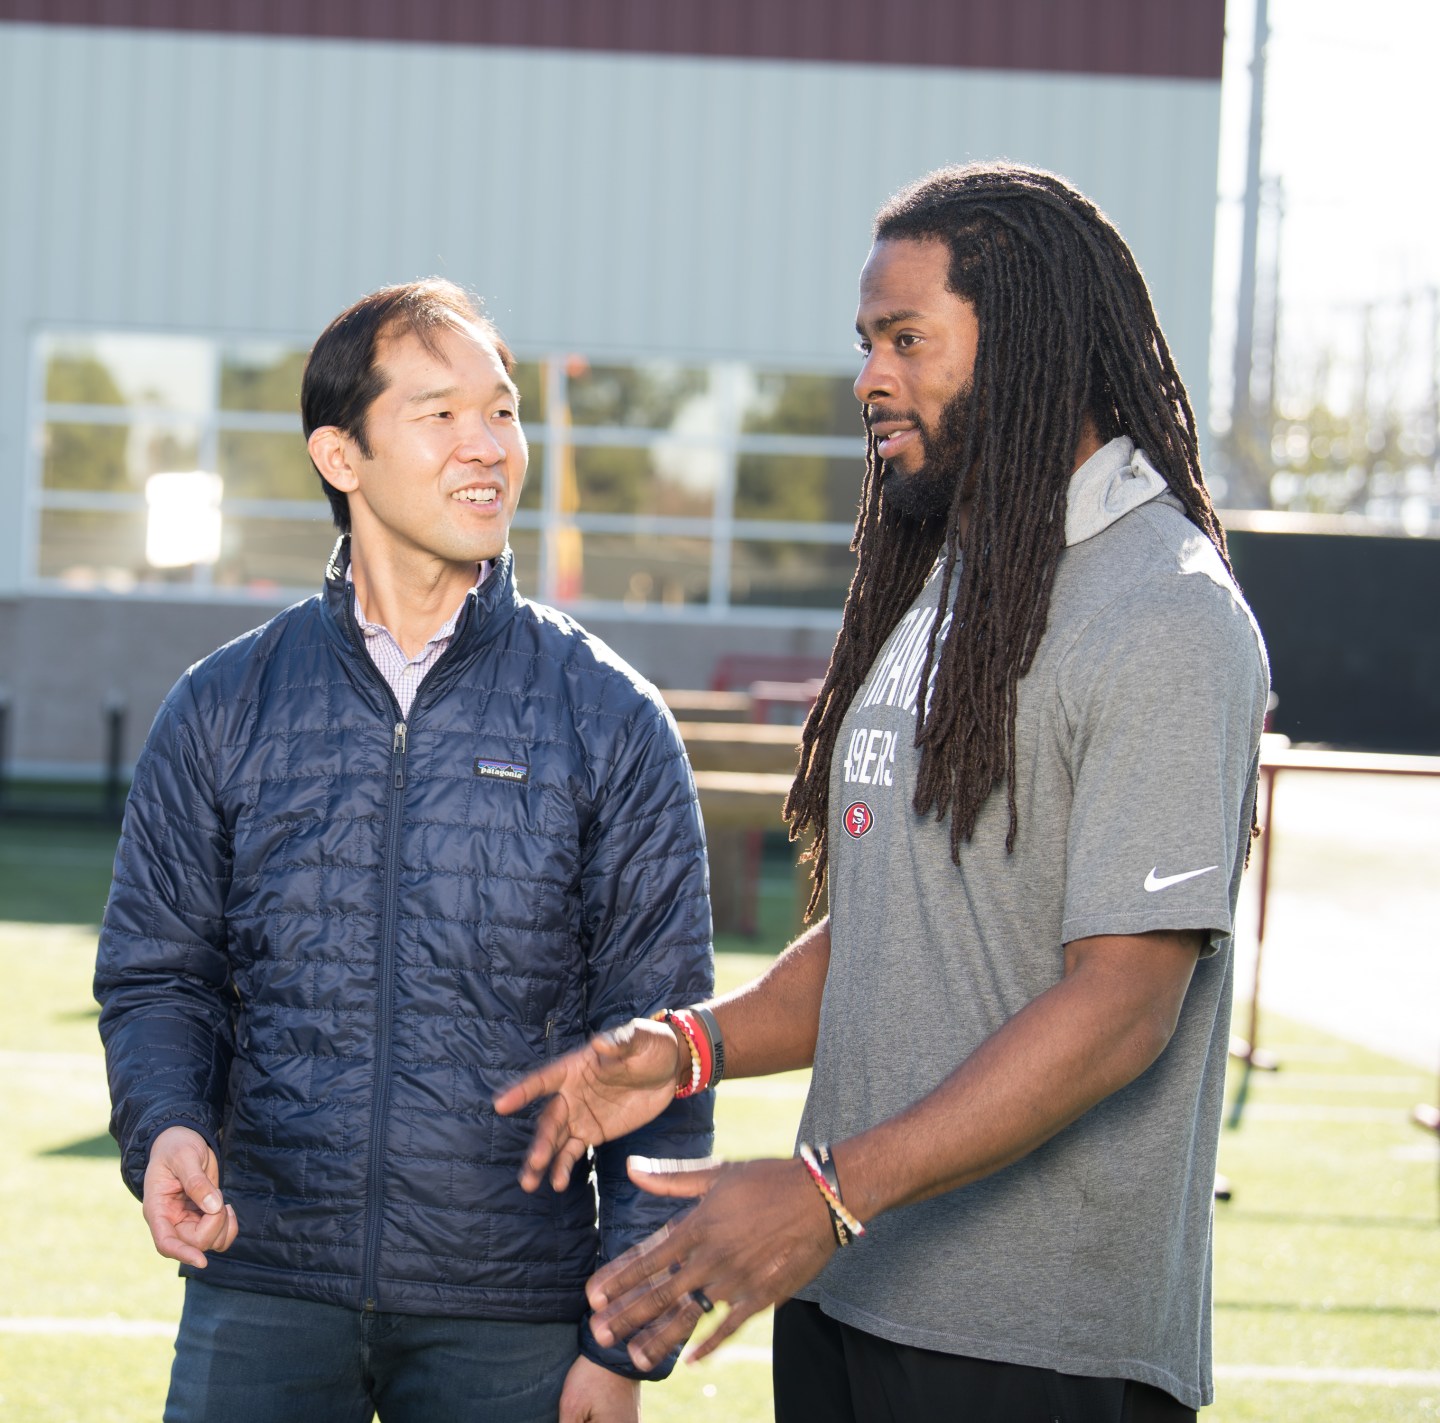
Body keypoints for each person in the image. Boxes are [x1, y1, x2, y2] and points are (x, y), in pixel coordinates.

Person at [495, 164, 1270, 1422]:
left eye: (908, 339)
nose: (870, 377)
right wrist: (694, 1049)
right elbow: (901, 930)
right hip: (854, 1297)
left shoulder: (1167, 610)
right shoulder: (958, 578)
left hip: (1035, 1349)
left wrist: (828, 1190)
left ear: (1025, 346)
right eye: (866, 342)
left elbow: (1126, 1003)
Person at [94, 278, 713, 1423]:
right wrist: (168, 1124)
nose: (489, 448)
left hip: (513, 1312)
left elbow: (664, 1048)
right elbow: (158, 974)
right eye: (440, 415)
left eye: (505, 411)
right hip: (266, 1286)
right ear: (342, 455)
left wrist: (627, 1340)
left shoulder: (611, 719)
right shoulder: (225, 704)